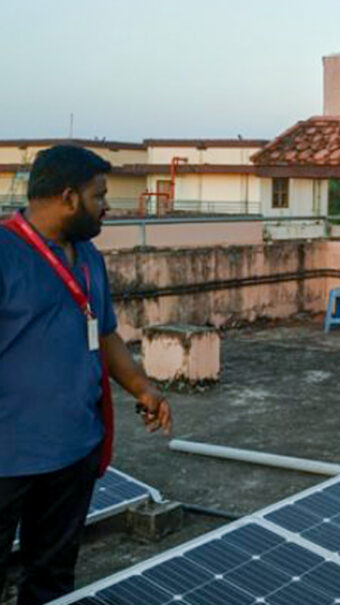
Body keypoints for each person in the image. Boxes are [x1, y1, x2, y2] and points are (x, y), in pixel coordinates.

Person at [0, 145, 173, 605]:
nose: (107, 207)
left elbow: (106, 335)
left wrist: (143, 388)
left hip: (72, 454)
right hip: (7, 461)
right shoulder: (4, 254)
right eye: (100, 196)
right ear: (69, 197)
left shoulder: (89, 258)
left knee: (52, 580)